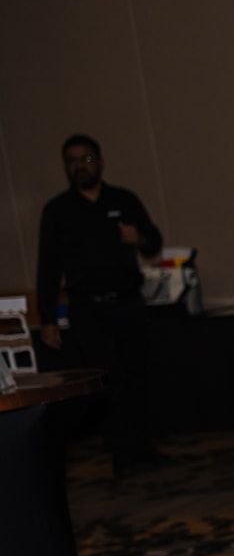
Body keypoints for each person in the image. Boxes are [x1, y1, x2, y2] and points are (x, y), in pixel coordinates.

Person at [36, 134, 163, 474]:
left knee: (139, 376)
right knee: (109, 381)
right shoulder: (58, 211)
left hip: (128, 303)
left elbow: (154, 243)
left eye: (86, 159)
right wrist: (47, 318)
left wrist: (138, 238)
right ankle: (122, 454)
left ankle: (144, 448)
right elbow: (48, 267)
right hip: (88, 310)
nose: (80, 166)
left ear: (100, 162)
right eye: (72, 161)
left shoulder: (124, 199)